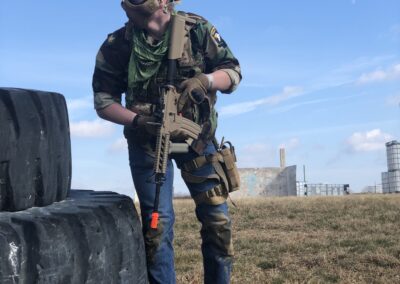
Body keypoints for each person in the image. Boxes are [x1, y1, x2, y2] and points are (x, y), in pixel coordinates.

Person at [92, 0, 241, 283]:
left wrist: (205, 81)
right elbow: (103, 101)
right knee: (157, 226)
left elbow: (233, 73)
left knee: (217, 222)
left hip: (198, 140)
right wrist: (138, 121)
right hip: (147, 145)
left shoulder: (196, 30)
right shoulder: (118, 44)